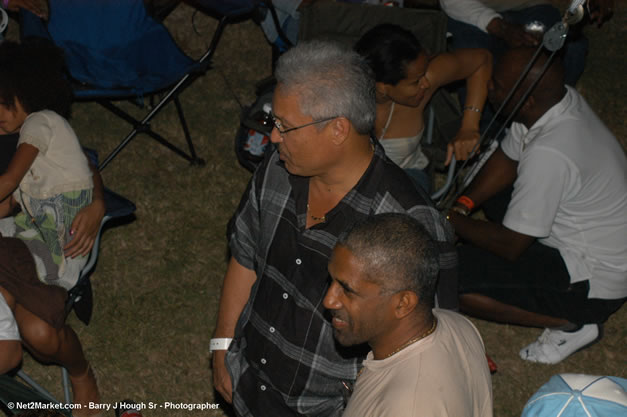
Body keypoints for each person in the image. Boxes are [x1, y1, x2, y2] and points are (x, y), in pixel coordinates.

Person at [211, 40, 457, 416]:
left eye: (284, 126)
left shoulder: (409, 223)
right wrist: (223, 347)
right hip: (249, 383)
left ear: (338, 129)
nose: (273, 137)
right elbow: (245, 255)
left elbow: (423, 345)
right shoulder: (277, 169)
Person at [447, 47, 627, 365]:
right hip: (586, 237)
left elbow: (511, 246)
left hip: (593, 279)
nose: (489, 86)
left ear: (526, 100)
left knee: (449, 275)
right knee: (495, 191)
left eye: (497, 85)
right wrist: (462, 204)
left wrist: (450, 221)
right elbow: (508, 156)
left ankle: (572, 324)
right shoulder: (556, 103)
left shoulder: (551, 153)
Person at [0, 39, 103, 416]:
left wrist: (98, 200)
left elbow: (78, 167)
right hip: (22, 236)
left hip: (45, 241)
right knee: (32, 327)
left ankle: (81, 373)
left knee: (41, 334)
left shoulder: (36, 124)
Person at [324, 213, 492, 417]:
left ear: (403, 303)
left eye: (347, 290)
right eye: (331, 280)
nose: (329, 300)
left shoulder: (409, 408)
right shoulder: (456, 324)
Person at [354, 24, 492, 193]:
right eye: (415, 82)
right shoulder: (343, 103)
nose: (425, 84)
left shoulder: (424, 80)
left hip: (407, 175)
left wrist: (470, 126)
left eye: (423, 75)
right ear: (382, 87)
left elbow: (481, 60)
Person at [439, 0, 604, 87]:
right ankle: (487, 138)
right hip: (469, 13)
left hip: (532, 9)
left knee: (571, 47)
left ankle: (547, 120)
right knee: (474, 55)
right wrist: (501, 27)